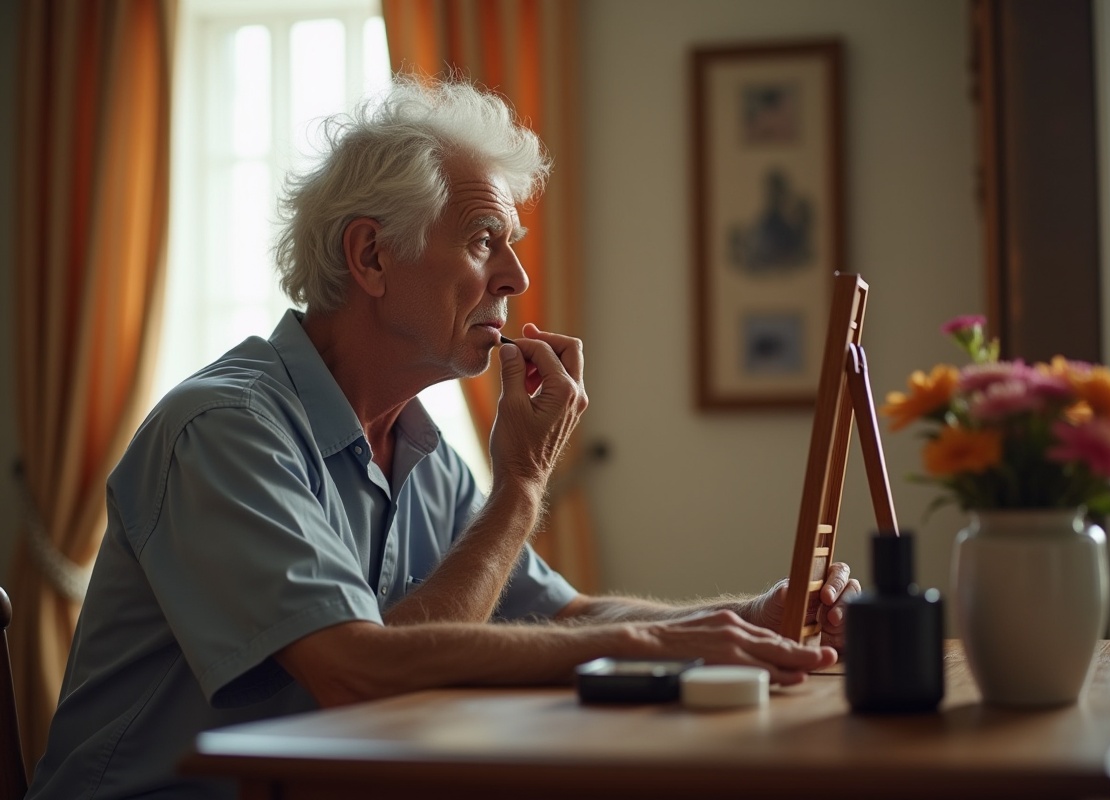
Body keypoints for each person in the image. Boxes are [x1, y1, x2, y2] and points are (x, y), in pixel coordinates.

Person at [27, 75, 860, 800]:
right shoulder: (224, 431)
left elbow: (563, 615)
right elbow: (359, 673)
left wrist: (750, 615)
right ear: (371, 257)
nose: (517, 277)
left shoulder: (419, 449)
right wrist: (525, 489)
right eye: (483, 240)